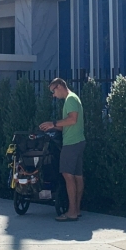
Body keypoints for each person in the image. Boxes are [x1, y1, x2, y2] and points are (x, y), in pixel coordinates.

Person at [39, 78, 84, 221]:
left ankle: (71, 212)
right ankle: (76, 210)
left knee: (67, 175)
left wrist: (53, 123)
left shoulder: (70, 99)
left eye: (53, 91)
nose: (53, 95)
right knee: (77, 177)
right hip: (78, 141)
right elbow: (68, 123)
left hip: (71, 143)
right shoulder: (73, 98)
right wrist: (51, 126)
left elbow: (72, 120)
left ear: (59, 86)